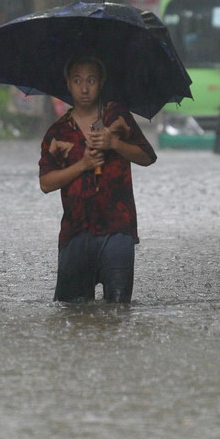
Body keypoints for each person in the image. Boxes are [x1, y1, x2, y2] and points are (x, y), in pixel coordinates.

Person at [39, 54, 158, 304]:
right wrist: (83, 165)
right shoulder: (58, 133)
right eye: (77, 80)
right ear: (68, 84)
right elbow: (46, 183)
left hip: (118, 229)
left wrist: (114, 143)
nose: (84, 88)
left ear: (101, 82)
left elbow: (148, 157)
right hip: (75, 232)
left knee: (118, 310)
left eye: (91, 80)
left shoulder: (117, 118)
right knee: (73, 312)